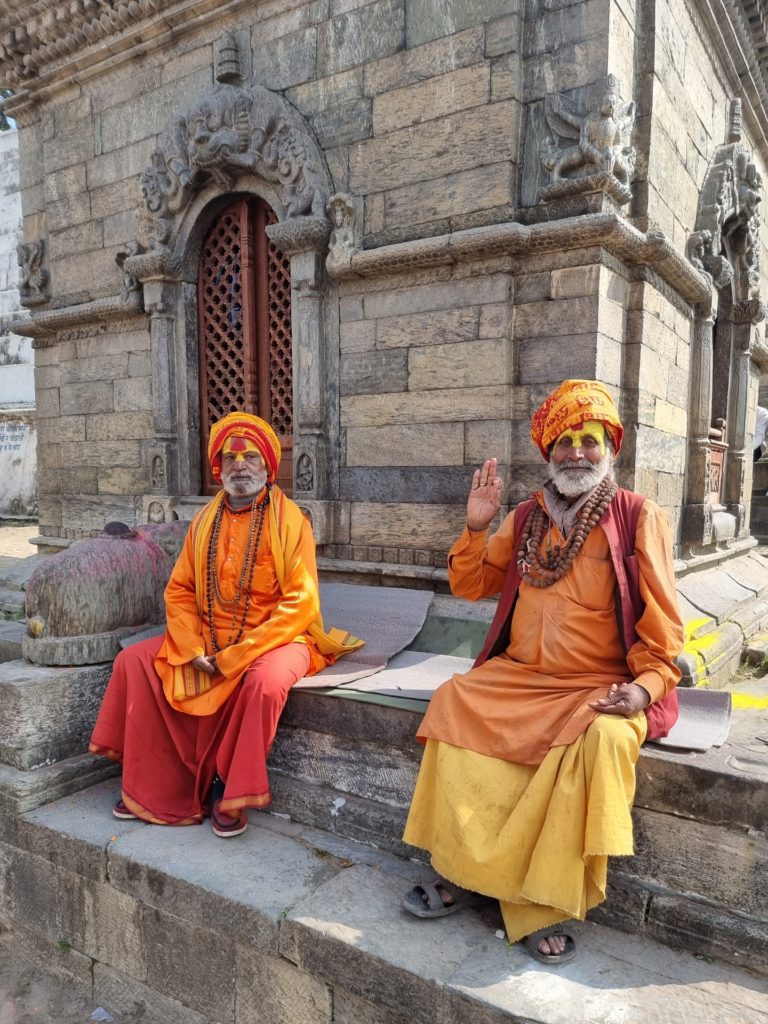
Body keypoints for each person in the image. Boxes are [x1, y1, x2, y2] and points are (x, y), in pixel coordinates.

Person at [401, 379, 683, 963]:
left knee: (597, 742)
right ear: (547, 450)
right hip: (521, 678)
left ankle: (538, 906)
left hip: (595, 685)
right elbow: (471, 585)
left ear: (610, 448)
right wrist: (477, 526)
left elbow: (665, 630)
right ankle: (464, 873)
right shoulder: (529, 516)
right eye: (564, 441)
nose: (576, 452)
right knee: (454, 700)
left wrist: (644, 689)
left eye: (589, 440)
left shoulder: (635, 515)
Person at [90, 412, 362, 837]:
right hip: (208, 640)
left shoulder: (292, 522)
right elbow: (180, 590)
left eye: (250, 456)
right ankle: (153, 786)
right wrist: (191, 646)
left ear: (268, 466)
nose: (240, 465)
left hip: (280, 637)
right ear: (218, 467)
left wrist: (236, 655)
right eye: (231, 458)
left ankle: (226, 788)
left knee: (266, 683)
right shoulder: (203, 522)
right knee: (134, 662)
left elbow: (301, 603)